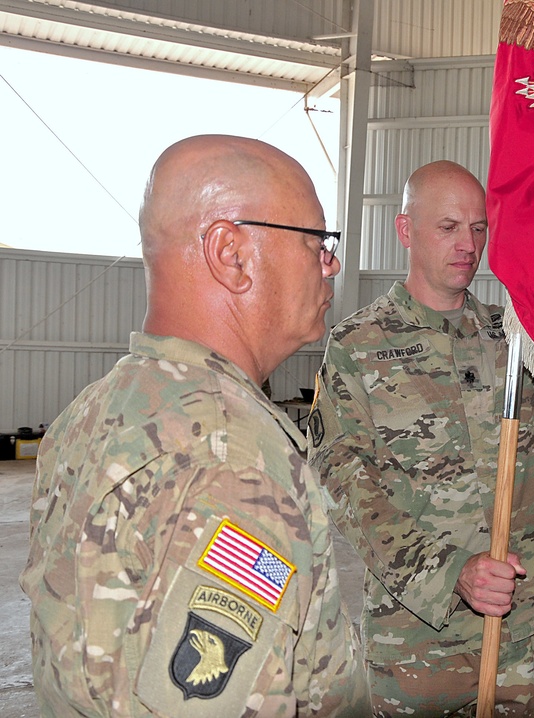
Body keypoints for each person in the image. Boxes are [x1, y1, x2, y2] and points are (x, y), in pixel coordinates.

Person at [19, 135, 367, 716]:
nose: (329, 263)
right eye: (317, 241)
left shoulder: (95, 409)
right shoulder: (236, 460)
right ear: (230, 252)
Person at [307, 160, 534, 716]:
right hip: (418, 642)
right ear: (406, 230)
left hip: (522, 629)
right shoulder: (358, 345)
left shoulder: (516, 337)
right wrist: (451, 572)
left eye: (479, 228)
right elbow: (347, 486)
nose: (468, 244)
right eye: (448, 227)